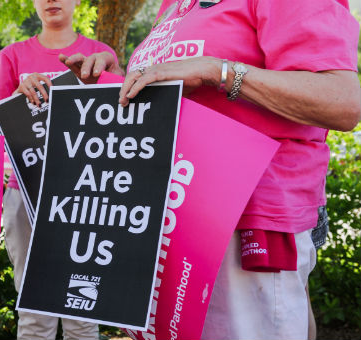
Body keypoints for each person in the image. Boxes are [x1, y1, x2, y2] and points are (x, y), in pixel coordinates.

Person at [61, 0, 361, 339]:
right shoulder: (173, 6)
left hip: (243, 222)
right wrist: (113, 79)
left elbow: (341, 101)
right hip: (172, 217)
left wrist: (217, 71)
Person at [0, 0, 117, 339]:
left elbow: (122, 123)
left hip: (85, 196)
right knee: (34, 311)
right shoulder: (11, 56)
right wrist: (18, 98)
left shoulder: (101, 53)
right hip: (25, 194)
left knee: (82, 308)